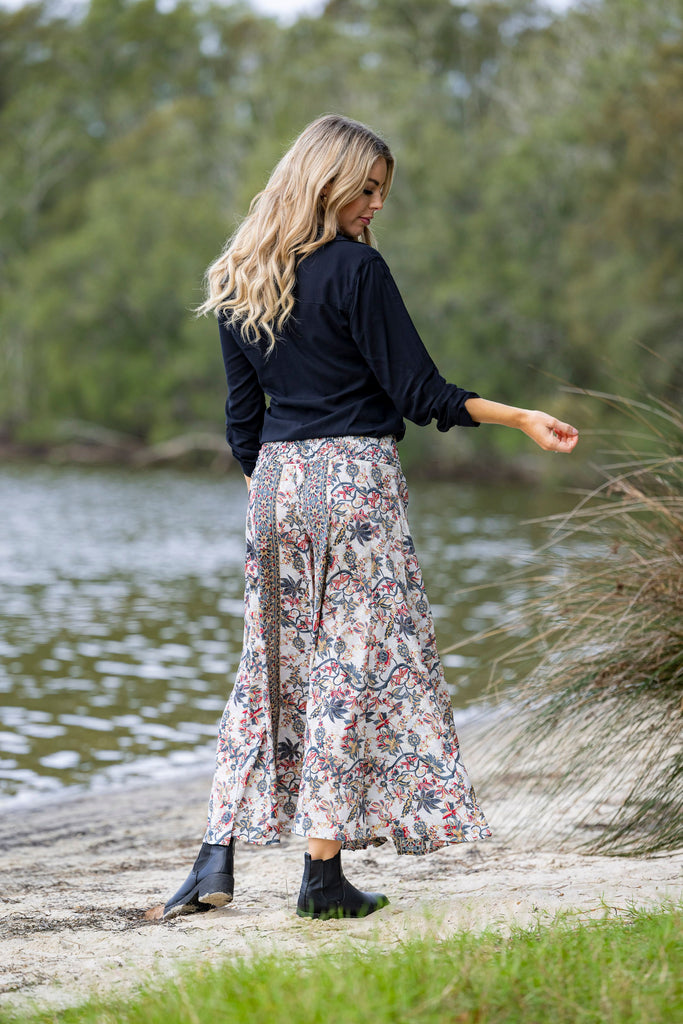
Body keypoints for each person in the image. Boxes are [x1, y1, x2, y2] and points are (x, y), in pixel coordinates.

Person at [161, 114, 578, 922]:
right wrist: (522, 416)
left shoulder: (242, 273)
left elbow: (243, 424)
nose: (376, 206)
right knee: (347, 667)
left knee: (269, 668)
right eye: (368, 189)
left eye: (381, 193)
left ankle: (217, 853)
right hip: (354, 483)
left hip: (276, 486)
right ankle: (321, 878)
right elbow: (422, 393)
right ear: (329, 181)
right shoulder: (356, 271)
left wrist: (279, 492)